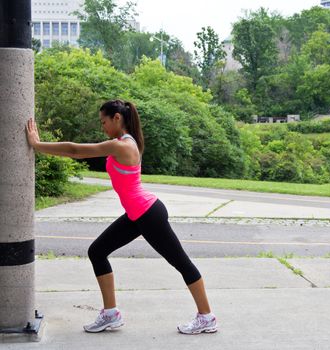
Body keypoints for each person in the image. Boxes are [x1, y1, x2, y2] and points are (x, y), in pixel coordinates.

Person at [26, 99, 217, 335]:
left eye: (104, 121)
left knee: (181, 262)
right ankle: (110, 314)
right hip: (138, 214)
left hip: (148, 215)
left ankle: (206, 317)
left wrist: (37, 144)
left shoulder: (123, 146)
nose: (102, 127)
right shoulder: (123, 142)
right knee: (97, 251)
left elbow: (75, 151)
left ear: (117, 118)